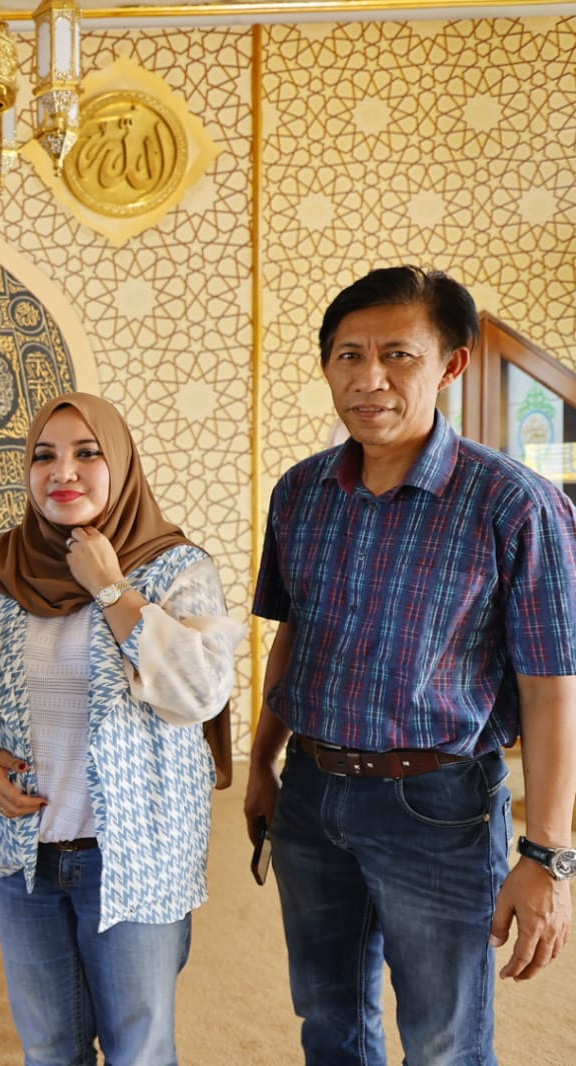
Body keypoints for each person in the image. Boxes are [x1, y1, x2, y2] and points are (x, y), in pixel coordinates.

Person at [246, 265, 576, 1064]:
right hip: (311, 794)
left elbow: (549, 689)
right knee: (327, 1022)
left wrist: (546, 855)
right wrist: (261, 763)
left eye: (397, 355)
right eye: (348, 355)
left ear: (449, 364)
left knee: (442, 1042)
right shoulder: (300, 492)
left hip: (436, 806)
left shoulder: (512, 503)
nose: (369, 379)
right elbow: (292, 638)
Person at [0, 392, 242, 1066]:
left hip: (136, 851)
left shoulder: (174, 568)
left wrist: (110, 589)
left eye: (86, 453)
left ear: (121, 463)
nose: (62, 471)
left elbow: (199, 692)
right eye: (43, 456)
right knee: (49, 1048)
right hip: (25, 854)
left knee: (138, 1050)